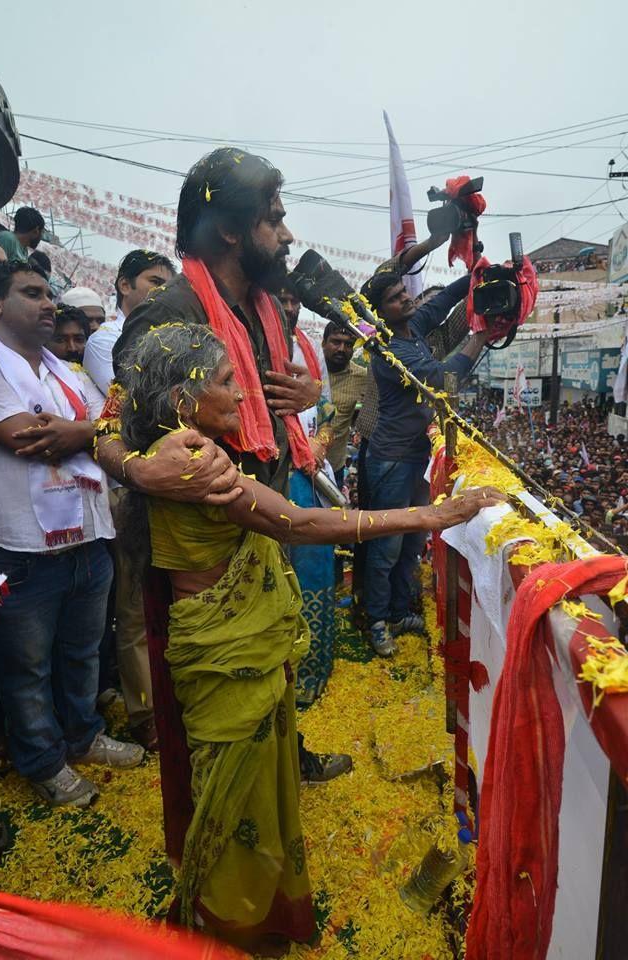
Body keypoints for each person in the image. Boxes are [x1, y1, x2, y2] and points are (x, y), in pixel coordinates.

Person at [119, 320, 504, 952]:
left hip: (239, 646)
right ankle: (227, 921)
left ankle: (248, 910)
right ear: (183, 400)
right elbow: (297, 523)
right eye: (225, 382)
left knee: (253, 790)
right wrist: (437, 514)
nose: (242, 395)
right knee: (232, 801)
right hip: (227, 655)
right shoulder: (190, 461)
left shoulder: (165, 449)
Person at [96, 147, 350, 783]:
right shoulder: (169, 312)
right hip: (196, 555)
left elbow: (269, 401)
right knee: (211, 725)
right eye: (275, 219)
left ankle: (282, 766)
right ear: (233, 230)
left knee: (273, 666)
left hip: (262, 523)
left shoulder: (265, 311)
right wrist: (135, 468)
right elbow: (108, 422)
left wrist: (309, 396)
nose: (288, 236)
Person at [0, 261, 143, 808]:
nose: (49, 303)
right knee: (26, 669)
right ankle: (44, 762)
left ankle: (82, 736)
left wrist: (77, 431)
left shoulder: (68, 372)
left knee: (82, 652)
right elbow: (25, 438)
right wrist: (89, 434)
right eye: (32, 293)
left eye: (49, 293)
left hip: (88, 534)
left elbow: (117, 429)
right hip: (21, 548)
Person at [358, 269, 489, 656]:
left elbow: (443, 300)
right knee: (387, 548)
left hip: (414, 456)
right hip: (391, 461)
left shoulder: (412, 327)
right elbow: (444, 380)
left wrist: (474, 274)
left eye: (403, 291)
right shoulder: (388, 350)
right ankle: (377, 620)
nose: (406, 299)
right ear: (380, 314)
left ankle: (399, 612)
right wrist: (479, 336)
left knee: (413, 540)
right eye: (396, 298)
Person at [83, 250, 176, 751]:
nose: (161, 291)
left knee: (169, 600)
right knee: (135, 608)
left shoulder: (166, 335)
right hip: (129, 490)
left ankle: (167, 698)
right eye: (152, 281)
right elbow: (142, 403)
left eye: (169, 283)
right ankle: (144, 711)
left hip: (170, 488)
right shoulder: (107, 340)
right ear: (123, 284)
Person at [279, 283, 336, 705]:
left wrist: (320, 444)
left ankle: (314, 666)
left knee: (315, 569)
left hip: (312, 475)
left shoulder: (306, 345)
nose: (290, 306)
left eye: (294, 299)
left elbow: (329, 410)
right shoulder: (244, 340)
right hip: (271, 475)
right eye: (280, 298)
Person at [84, 250, 176, 394]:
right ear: (125, 285)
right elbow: (125, 399)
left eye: (169, 287)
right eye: (156, 282)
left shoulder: (169, 339)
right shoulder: (105, 339)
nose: (164, 291)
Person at [321, 323, 366, 488]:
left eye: (348, 344)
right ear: (323, 342)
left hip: (334, 467)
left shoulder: (362, 377)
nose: (341, 349)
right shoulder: (307, 367)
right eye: (336, 342)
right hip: (300, 462)